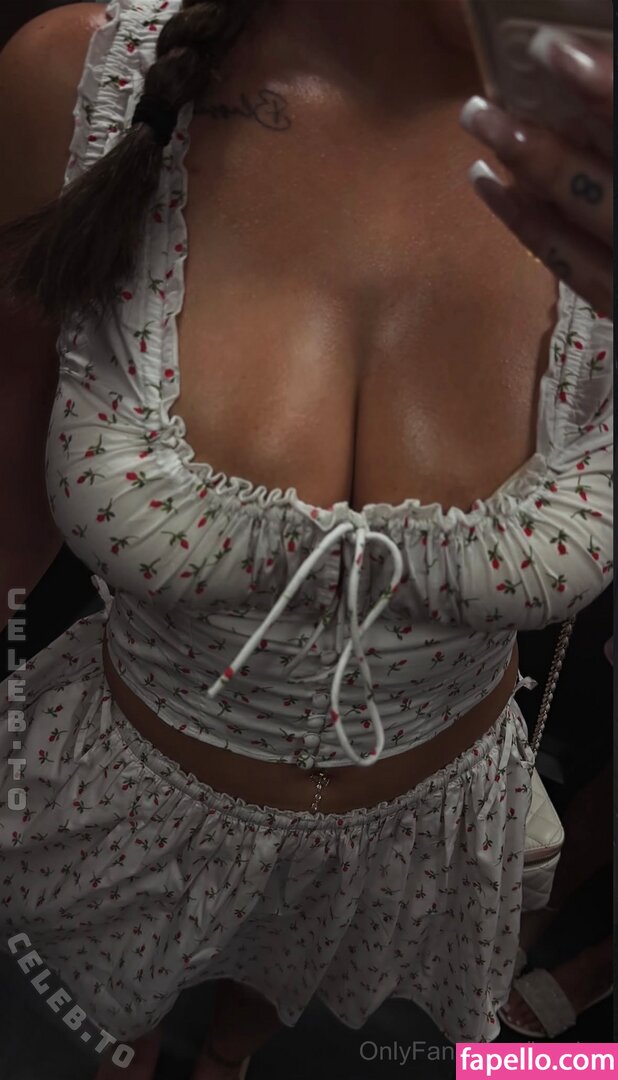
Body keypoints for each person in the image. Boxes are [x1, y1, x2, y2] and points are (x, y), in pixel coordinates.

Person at [0, 2, 612, 1078]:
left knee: (282, 1009)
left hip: (424, 843)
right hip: (125, 815)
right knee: (107, 1035)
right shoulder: (83, 78)